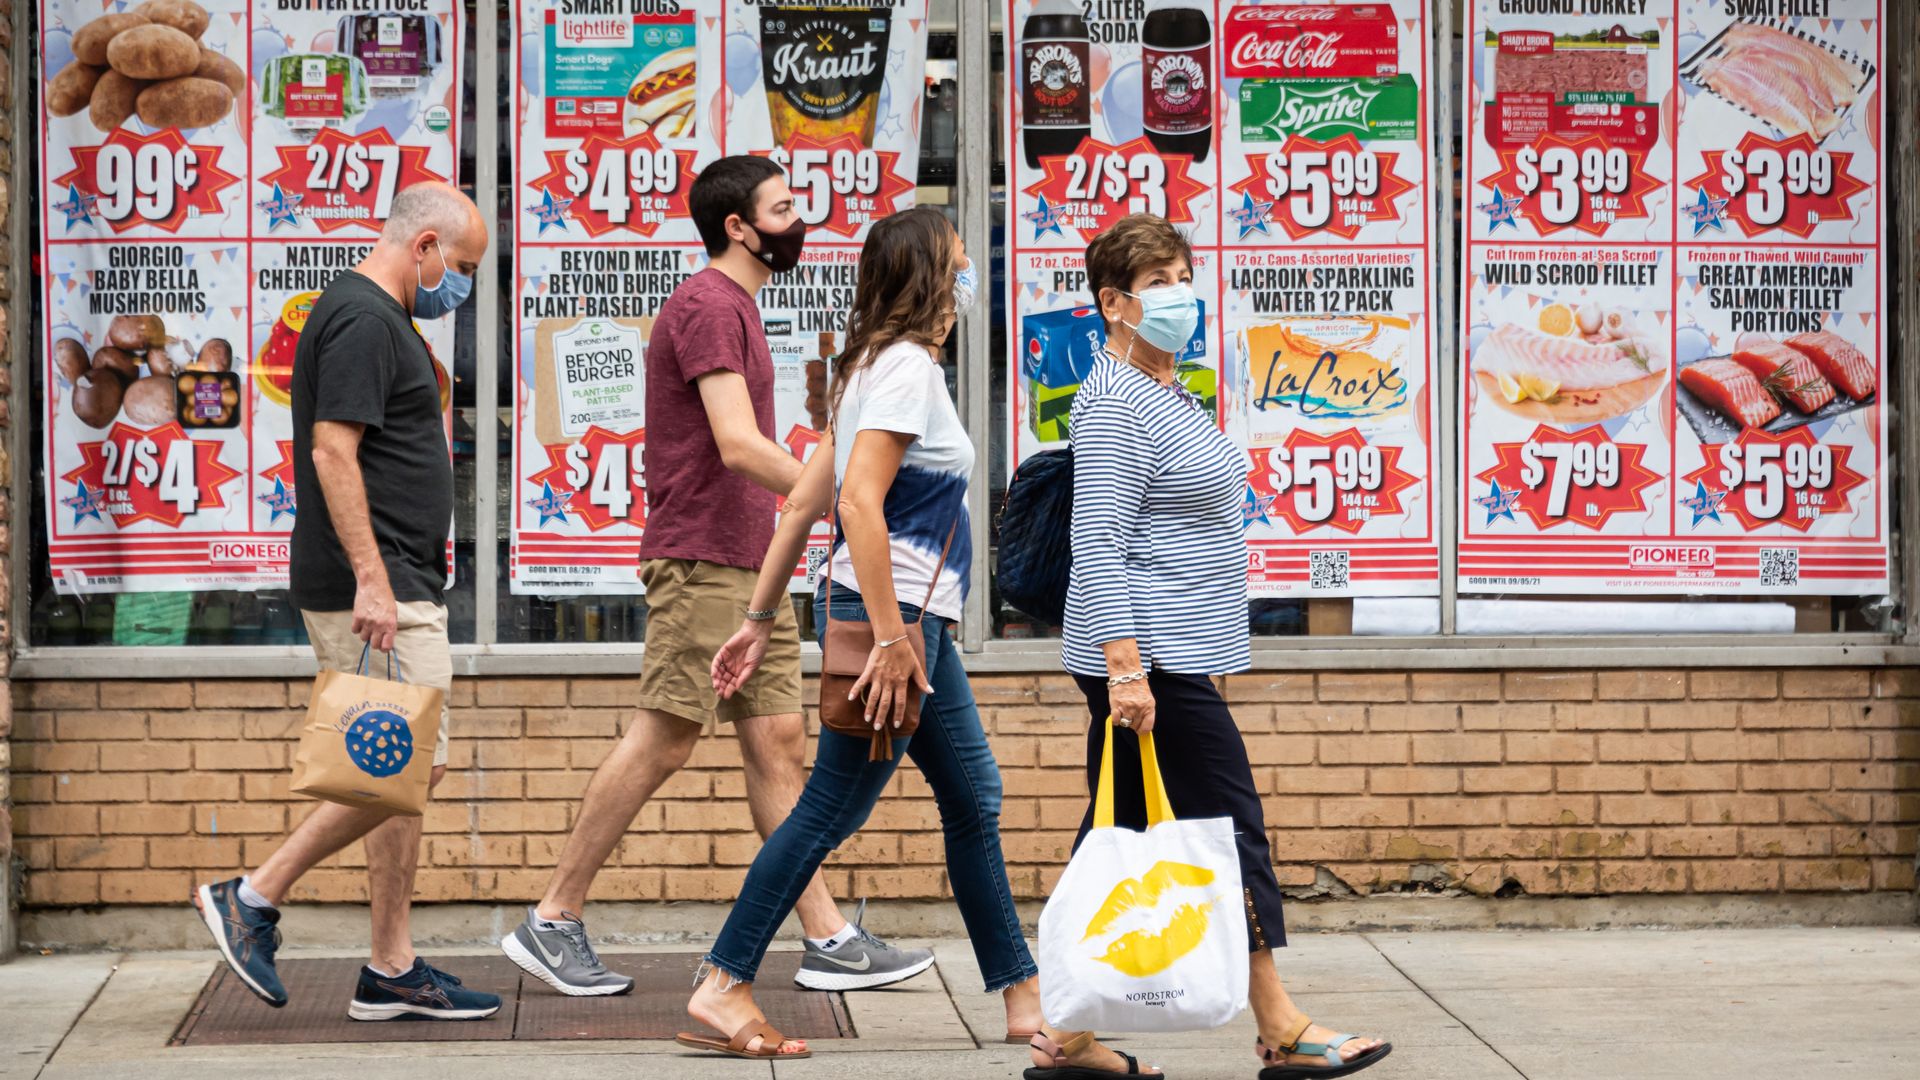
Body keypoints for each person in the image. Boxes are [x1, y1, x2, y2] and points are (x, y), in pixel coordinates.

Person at [498, 155, 929, 997]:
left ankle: (827, 936)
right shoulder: (706, 304)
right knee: (667, 732)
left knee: (777, 743)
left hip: (744, 559)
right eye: (783, 207)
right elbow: (734, 442)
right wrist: (841, 494)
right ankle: (552, 916)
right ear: (739, 227)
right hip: (700, 557)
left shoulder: (739, 309)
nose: (798, 220)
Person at [679, 206, 1080, 1063]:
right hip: (892, 621)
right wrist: (896, 639)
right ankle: (723, 982)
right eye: (963, 264)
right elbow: (855, 501)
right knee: (832, 806)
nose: (971, 281)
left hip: (899, 620)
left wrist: (757, 620)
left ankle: (1023, 996)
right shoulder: (903, 372)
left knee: (974, 797)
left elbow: (804, 501)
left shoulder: (872, 367)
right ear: (933, 276)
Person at [1050, 214, 1393, 1079]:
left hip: (1176, 655)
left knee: (1120, 834)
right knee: (1230, 831)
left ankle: (1069, 1039)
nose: (1179, 293)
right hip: (1149, 663)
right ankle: (1279, 1024)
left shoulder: (1171, 391)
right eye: (1158, 281)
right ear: (1113, 303)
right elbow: (1099, 544)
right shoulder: (1116, 404)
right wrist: (1128, 672)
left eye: (1183, 274)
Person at [191, 182, 500, 1021]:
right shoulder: (365, 318)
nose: (460, 286)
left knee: (394, 768)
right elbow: (334, 454)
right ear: (425, 244)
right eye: (462, 267)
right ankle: (252, 897)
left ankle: (390, 966)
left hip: (395, 578)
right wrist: (373, 578)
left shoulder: (370, 313)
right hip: (381, 582)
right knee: (411, 760)